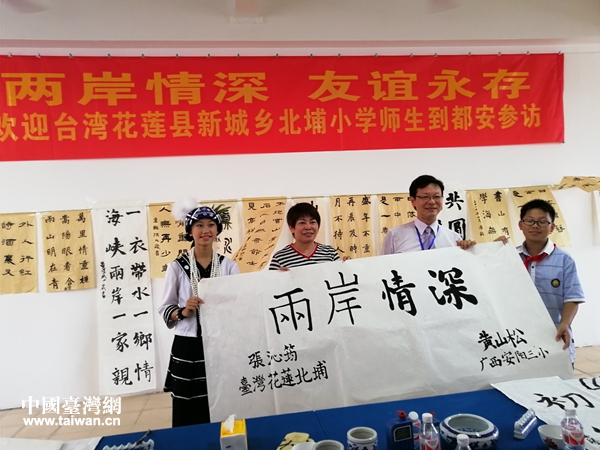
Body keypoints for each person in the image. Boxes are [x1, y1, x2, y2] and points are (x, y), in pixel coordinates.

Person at [158, 201, 240, 427]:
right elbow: (165, 307)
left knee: (221, 396)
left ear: (217, 230)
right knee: (187, 400)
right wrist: (183, 311)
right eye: (199, 225)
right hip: (188, 344)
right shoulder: (176, 267)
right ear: (190, 231)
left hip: (221, 342)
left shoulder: (229, 266)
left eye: (211, 225)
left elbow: (240, 303)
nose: (206, 230)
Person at [516, 199, 584, 364]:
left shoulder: (564, 260)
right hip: (518, 339)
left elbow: (572, 297)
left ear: (552, 227)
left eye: (542, 222)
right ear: (521, 225)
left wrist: (565, 323)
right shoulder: (509, 257)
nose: (535, 226)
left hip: (554, 336)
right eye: (530, 220)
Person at [381, 174, 476, 254]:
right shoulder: (395, 235)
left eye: (437, 197)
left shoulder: (454, 238)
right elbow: (384, 266)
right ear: (413, 201)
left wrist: (470, 251)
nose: (432, 202)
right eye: (425, 197)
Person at [269, 202, 342, 270]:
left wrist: (346, 265)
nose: (308, 227)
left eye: (312, 222)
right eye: (302, 223)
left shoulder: (330, 253)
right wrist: (279, 277)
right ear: (291, 228)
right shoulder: (279, 258)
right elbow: (271, 280)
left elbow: (341, 276)